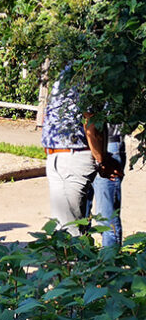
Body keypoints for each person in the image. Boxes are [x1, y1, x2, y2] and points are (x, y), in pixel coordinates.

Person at [41, 70, 123, 235]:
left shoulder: (84, 72)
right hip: (65, 158)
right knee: (69, 227)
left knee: (68, 230)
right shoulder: (79, 72)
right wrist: (103, 160)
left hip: (71, 158)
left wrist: (102, 160)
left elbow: (91, 122)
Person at [91, 127, 125, 248]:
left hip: (108, 143)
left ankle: (110, 262)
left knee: (106, 218)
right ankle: (82, 261)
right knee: (82, 215)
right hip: (85, 146)